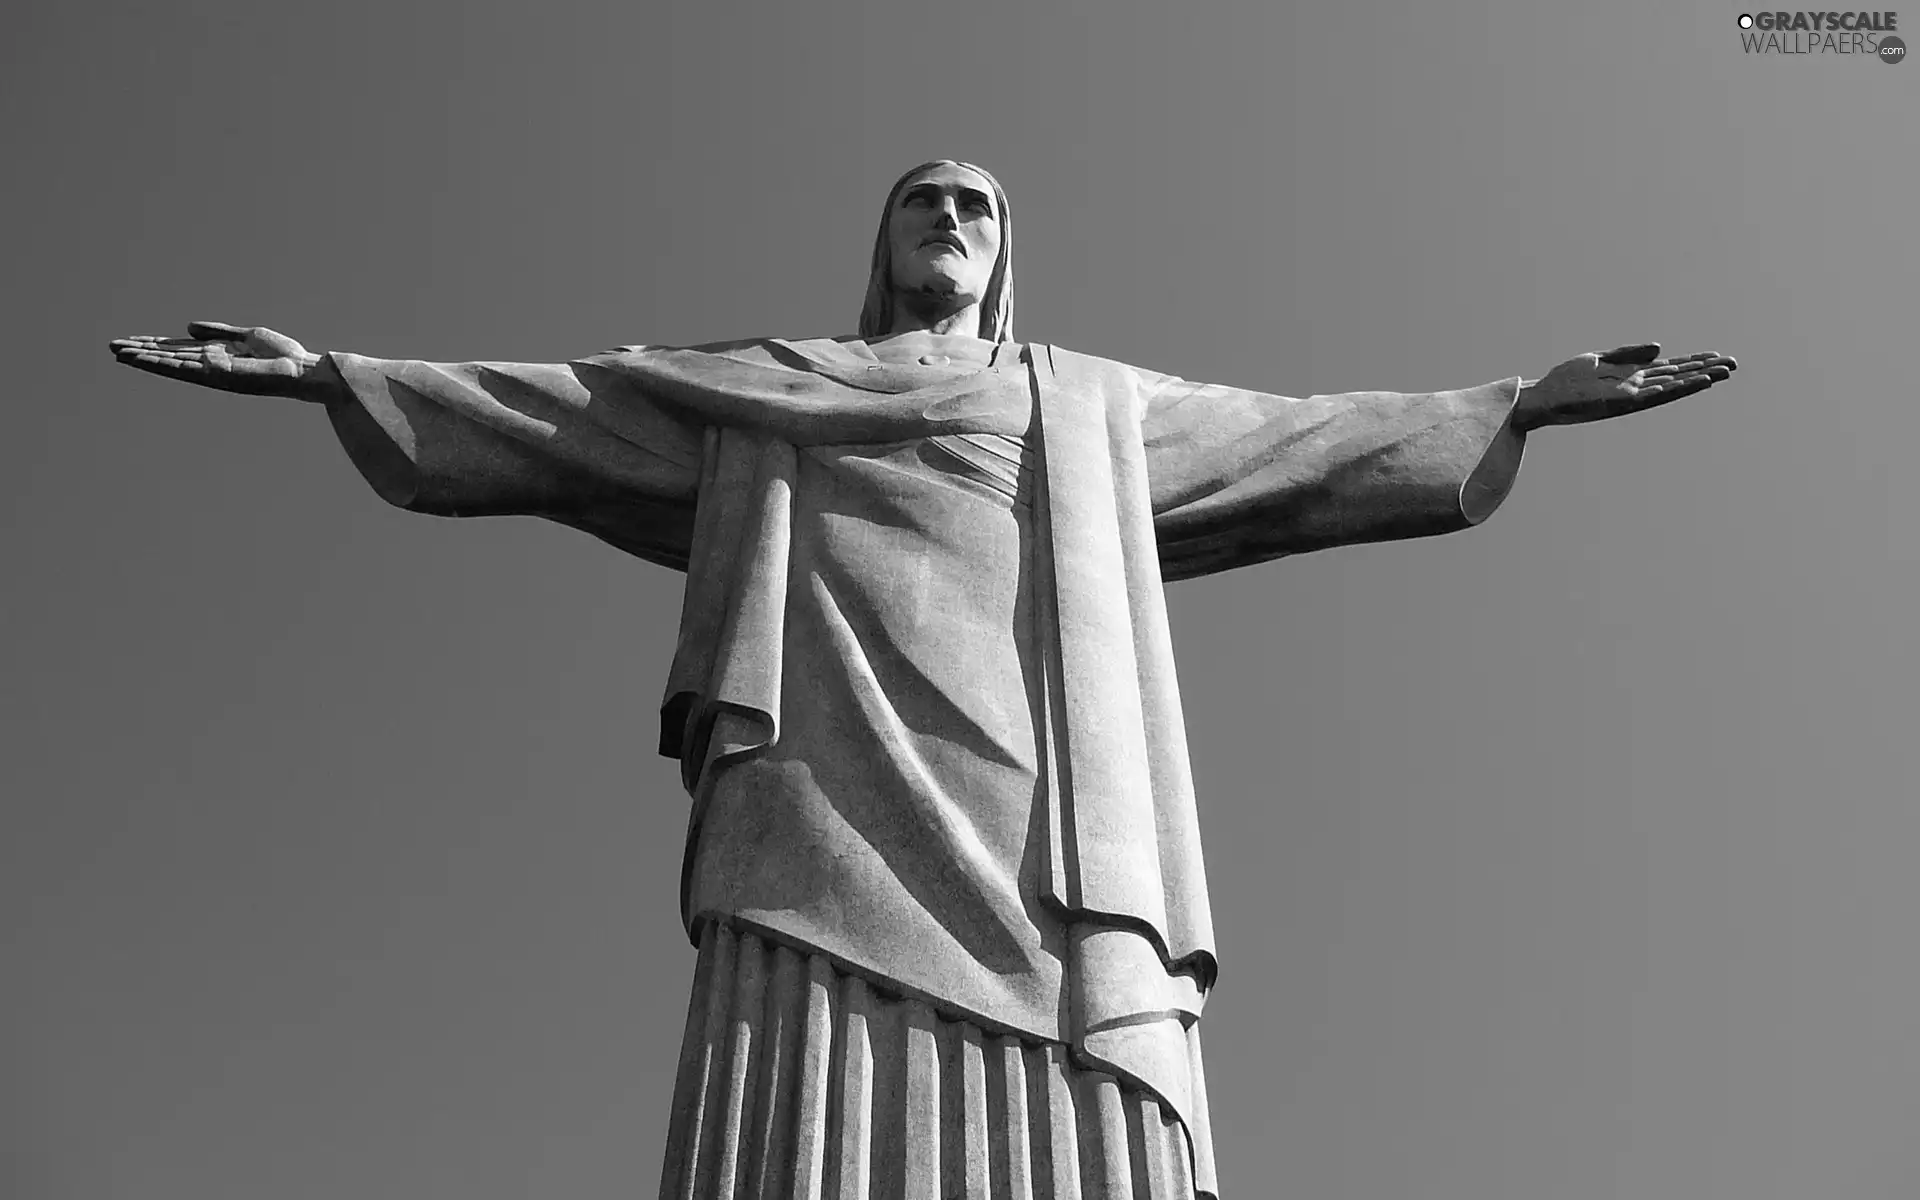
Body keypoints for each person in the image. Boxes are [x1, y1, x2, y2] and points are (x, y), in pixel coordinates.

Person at [111, 160, 1735, 1200]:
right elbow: (555, 414)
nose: (948, 225)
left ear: (1003, 253)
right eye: (921, 206)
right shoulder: (760, 389)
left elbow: (1296, 438)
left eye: (975, 209)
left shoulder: (1088, 400)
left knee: (1108, 1068)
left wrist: (1517, 401)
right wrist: (337, 372)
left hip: (1052, 797)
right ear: (880, 250)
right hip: (817, 762)